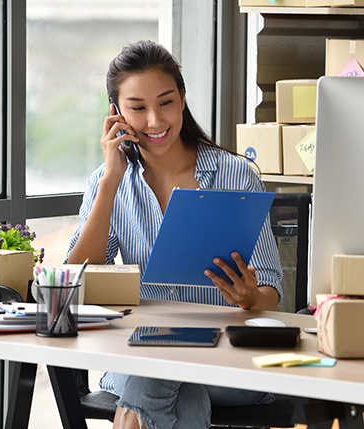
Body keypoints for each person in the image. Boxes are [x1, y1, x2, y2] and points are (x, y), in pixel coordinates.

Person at [65, 39, 283, 429]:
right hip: (140, 355)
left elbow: (270, 293)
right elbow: (76, 277)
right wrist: (112, 179)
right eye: (137, 108)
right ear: (116, 114)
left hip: (226, 360)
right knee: (181, 389)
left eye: (165, 102)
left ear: (182, 100)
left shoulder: (235, 174)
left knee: (160, 374)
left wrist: (250, 297)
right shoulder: (108, 181)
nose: (154, 121)